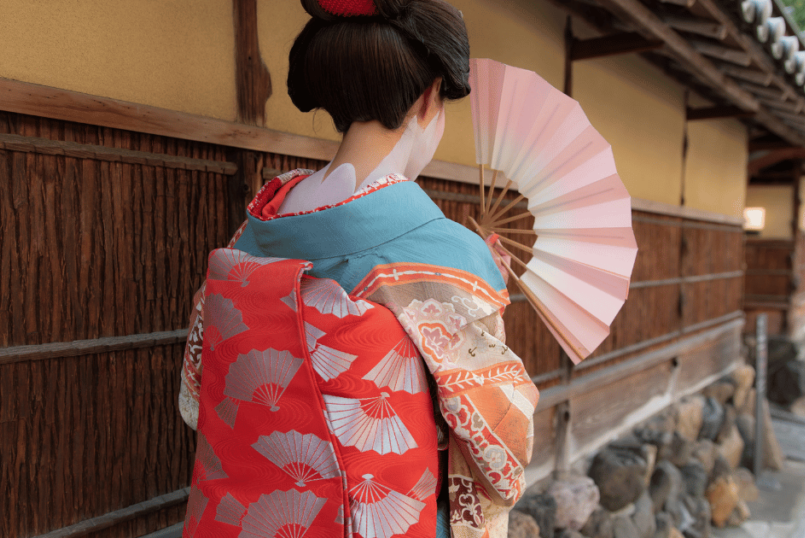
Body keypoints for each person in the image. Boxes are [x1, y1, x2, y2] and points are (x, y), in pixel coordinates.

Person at [177, 0, 539, 537]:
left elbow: (196, 393)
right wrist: (487, 287)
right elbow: (499, 444)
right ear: (430, 96)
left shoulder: (254, 232)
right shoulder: (449, 255)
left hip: (257, 516)